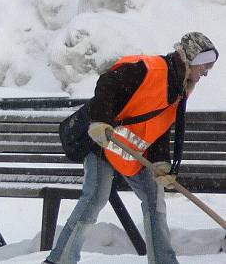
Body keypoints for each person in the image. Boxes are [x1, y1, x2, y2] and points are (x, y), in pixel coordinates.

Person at [44, 32, 219, 264]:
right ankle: (60, 260)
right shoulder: (150, 69)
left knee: (154, 199)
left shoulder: (179, 89)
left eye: (210, 67)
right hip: (104, 141)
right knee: (95, 196)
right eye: (204, 65)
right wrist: (100, 121)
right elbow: (108, 83)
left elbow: (159, 126)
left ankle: (164, 261)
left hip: (131, 152)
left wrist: (160, 162)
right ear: (190, 58)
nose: (205, 72)